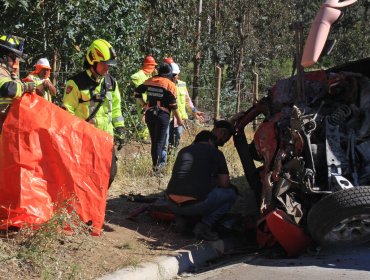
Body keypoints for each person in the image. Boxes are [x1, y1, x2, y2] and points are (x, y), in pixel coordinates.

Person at [62, 39, 125, 187]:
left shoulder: (111, 83)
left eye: (108, 65)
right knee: (85, 178)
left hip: (106, 138)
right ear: (92, 61)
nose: (107, 69)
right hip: (84, 140)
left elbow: (116, 108)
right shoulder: (75, 83)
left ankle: (97, 205)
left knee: (109, 176)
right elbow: (67, 112)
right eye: (104, 64)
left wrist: (121, 128)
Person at [166, 130, 237, 241]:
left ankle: (182, 219)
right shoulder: (216, 152)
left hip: (171, 204)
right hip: (194, 206)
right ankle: (204, 226)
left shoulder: (183, 150)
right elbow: (225, 183)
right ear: (210, 141)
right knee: (231, 194)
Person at [135, 62, 183, 175]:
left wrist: (144, 105)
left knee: (154, 142)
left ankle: (155, 167)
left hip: (150, 114)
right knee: (160, 142)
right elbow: (174, 106)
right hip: (163, 116)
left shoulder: (149, 81)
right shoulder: (169, 85)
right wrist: (179, 120)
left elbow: (137, 92)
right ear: (169, 74)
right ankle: (157, 170)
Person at [0, 34, 35, 133]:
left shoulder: (7, 73)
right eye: (13, 57)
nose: (15, 61)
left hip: (7, 128)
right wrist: (25, 86)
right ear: (4, 56)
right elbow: (9, 89)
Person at [168, 62, 204, 150]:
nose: (174, 76)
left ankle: (172, 158)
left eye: (175, 74)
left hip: (179, 118)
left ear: (178, 74)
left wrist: (194, 112)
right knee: (166, 141)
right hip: (167, 117)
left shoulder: (182, 84)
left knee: (177, 140)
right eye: (172, 74)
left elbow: (187, 101)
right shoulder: (165, 84)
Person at [130, 55, 158, 142]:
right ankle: (142, 137)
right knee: (143, 117)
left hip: (148, 101)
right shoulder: (138, 75)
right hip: (141, 100)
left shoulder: (149, 75)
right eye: (153, 66)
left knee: (147, 118)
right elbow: (136, 89)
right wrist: (143, 103)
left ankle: (144, 136)